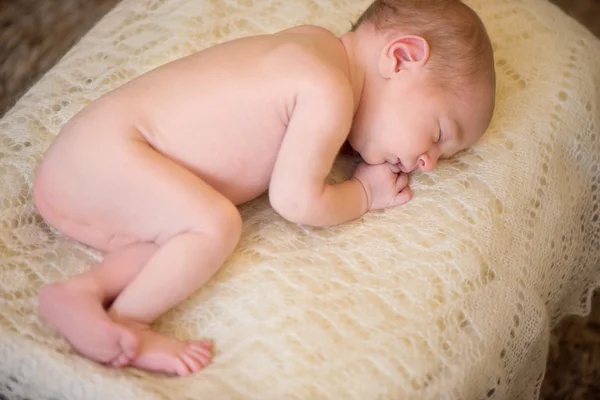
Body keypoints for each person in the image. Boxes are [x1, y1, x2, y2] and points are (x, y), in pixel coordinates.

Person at [33, 0, 496, 377]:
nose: (428, 165)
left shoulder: (314, 44)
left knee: (176, 235)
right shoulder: (327, 89)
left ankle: (81, 294)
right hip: (111, 155)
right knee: (214, 225)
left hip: (91, 159)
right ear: (401, 57)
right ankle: (126, 324)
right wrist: (364, 196)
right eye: (438, 134)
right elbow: (295, 199)